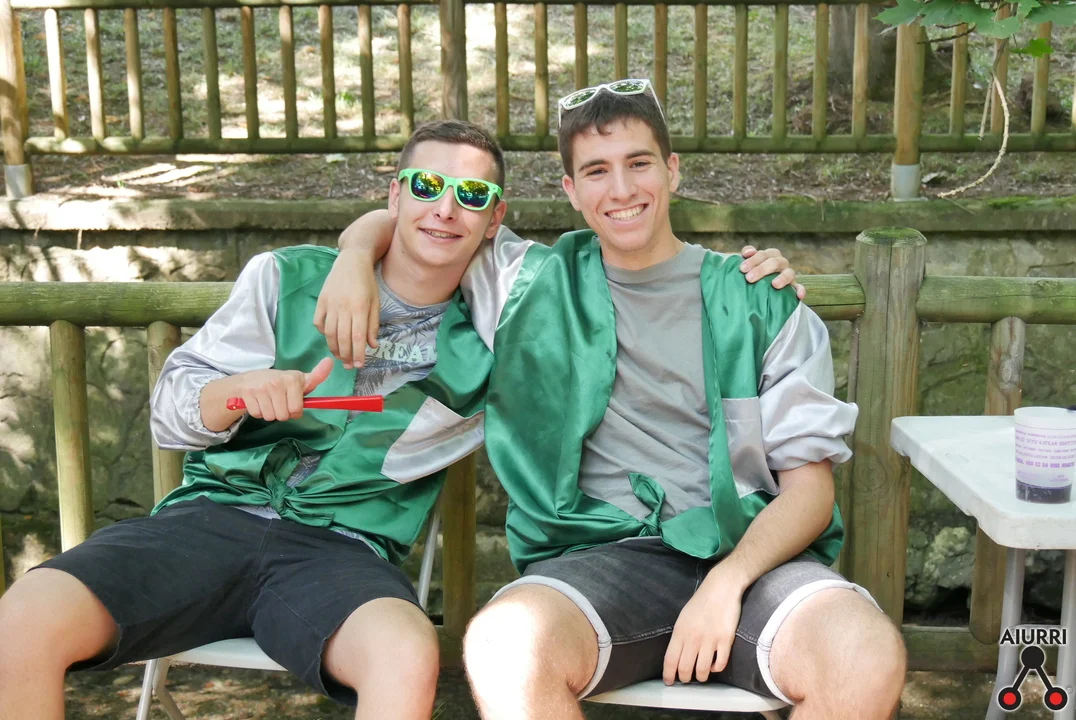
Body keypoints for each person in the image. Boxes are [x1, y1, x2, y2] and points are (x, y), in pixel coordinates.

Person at [316, 80, 906, 720]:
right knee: (504, 644)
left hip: (750, 558)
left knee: (865, 654)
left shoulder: (758, 299)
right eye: (597, 171)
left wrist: (728, 581)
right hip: (599, 558)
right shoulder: (523, 283)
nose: (621, 190)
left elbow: (810, 494)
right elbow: (423, 218)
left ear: (672, 169)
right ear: (571, 191)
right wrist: (354, 255)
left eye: (638, 163)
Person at [0, 119, 507, 720]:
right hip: (208, 521)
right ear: (395, 194)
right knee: (23, 618)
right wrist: (236, 393)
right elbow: (170, 412)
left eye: (472, 194)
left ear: (495, 218)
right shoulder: (284, 277)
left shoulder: (498, 329)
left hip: (342, 551)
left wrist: (358, 246)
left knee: (406, 654)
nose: (445, 208)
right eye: (426, 185)